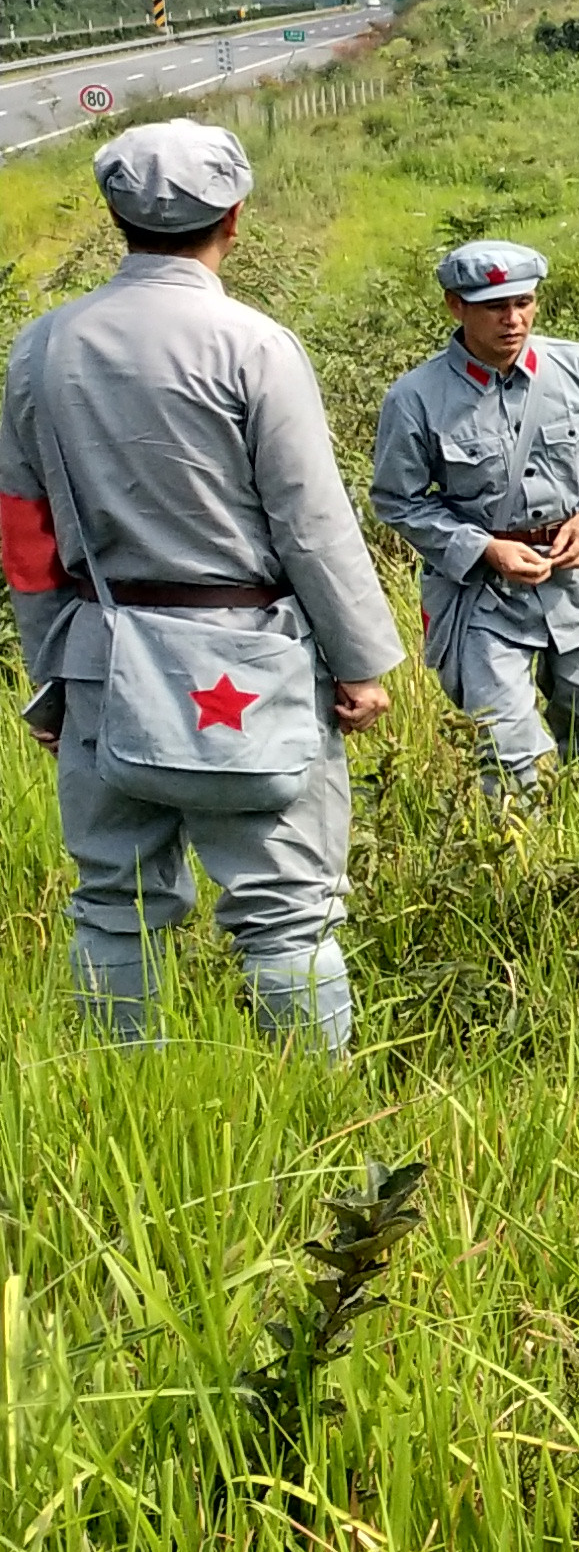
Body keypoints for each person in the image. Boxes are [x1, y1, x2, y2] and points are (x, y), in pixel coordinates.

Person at [5, 122, 407, 1047]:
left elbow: (25, 535)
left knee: (114, 903)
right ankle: (313, 1111)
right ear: (235, 217)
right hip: (250, 661)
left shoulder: (42, 348)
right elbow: (310, 522)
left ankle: (118, 1090)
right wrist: (357, 661)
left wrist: (48, 675)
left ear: (114, 216)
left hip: (104, 657)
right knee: (288, 910)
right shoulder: (255, 344)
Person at [371, 239, 579, 797]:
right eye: (495, 306)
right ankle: (522, 864)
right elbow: (397, 500)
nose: (513, 318)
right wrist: (481, 548)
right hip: (485, 596)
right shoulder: (415, 399)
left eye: (523, 302)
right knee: (506, 753)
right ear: (456, 306)